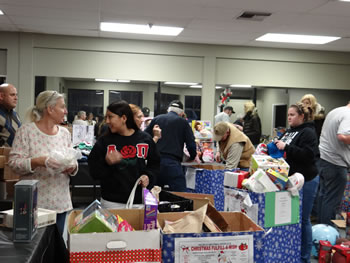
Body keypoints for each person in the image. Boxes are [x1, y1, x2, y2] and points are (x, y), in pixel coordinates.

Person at [8, 90, 78, 235]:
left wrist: (72, 167)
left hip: (60, 202)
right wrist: (38, 161)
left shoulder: (64, 133)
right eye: (62, 107)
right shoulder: (26, 131)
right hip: (35, 206)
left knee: (56, 248)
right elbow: (14, 163)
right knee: (37, 251)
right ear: (50, 109)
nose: (65, 111)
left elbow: (72, 160)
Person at [88, 100, 160, 209]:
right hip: (111, 202)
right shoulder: (104, 141)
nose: (107, 121)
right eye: (106, 117)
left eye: (110, 117)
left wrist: (148, 176)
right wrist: (107, 163)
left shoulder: (145, 139)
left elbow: (155, 164)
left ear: (124, 118)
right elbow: (94, 172)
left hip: (138, 201)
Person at [275, 103, 319, 263]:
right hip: (290, 180)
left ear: (302, 116)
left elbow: (308, 155)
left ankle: (304, 257)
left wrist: (287, 147)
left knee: (303, 219)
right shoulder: (289, 131)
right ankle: (291, 252)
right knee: (290, 217)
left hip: (307, 179)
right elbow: (279, 146)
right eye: (288, 115)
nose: (289, 118)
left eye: (292, 115)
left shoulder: (308, 132)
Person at [145, 100, 196, 191]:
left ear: (168, 110)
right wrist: (192, 156)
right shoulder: (183, 122)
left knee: (153, 194)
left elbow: (145, 138)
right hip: (173, 163)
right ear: (181, 113)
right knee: (181, 196)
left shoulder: (157, 119)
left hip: (155, 163)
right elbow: (191, 144)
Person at [318, 101, 350, 226]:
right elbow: (342, 136)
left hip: (324, 160)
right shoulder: (348, 114)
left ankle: (321, 232)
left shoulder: (335, 111)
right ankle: (328, 234)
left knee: (324, 197)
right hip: (336, 163)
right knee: (332, 201)